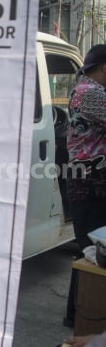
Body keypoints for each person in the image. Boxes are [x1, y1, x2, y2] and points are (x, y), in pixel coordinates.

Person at [64, 44, 106, 327]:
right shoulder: (92, 94)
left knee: (89, 249)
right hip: (90, 180)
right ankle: (83, 315)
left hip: (88, 178)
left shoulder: (82, 88)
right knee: (94, 248)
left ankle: (76, 314)